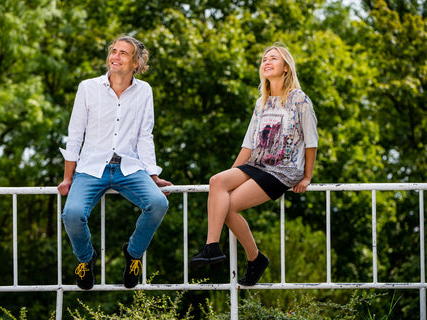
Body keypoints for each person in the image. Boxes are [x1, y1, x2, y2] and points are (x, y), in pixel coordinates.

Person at [189, 44, 318, 286]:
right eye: (264, 59)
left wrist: (307, 177)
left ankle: (255, 259)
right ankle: (211, 247)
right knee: (217, 181)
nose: (266, 62)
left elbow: (311, 141)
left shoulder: (299, 99)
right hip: (256, 164)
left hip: (284, 170)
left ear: (286, 68)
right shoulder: (262, 103)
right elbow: (248, 146)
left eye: (273, 59)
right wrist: (232, 174)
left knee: (227, 207)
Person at [57, 35, 172, 290]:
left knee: (158, 203)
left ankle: (133, 254)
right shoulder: (87, 88)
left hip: (129, 168)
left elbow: (145, 135)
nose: (115, 56)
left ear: (136, 63)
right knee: (72, 214)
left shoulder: (144, 91)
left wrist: (152, 174)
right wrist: (68, 177)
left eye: (123, 53)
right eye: (113, 51)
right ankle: (86, 260)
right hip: (91, 168)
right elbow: (75, 134)